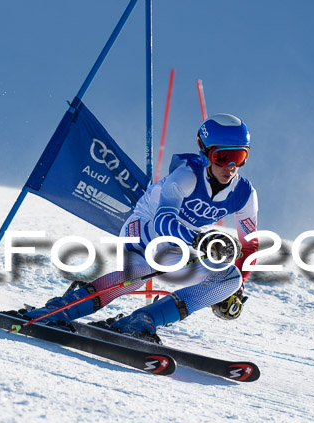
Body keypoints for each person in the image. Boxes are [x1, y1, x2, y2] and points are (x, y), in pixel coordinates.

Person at [22, 113, 259, 340]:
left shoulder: (244, 194)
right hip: (144, 229)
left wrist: (235, 292)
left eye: (238, 157)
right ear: (206, 153)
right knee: (138, 273)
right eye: (221, 157)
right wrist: (201, 240)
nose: (230, 167)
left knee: (230, 279)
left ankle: (143, 320)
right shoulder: (187, 175)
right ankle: (59, 310)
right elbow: (163, 220)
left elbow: (250, 247)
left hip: (180, 246)